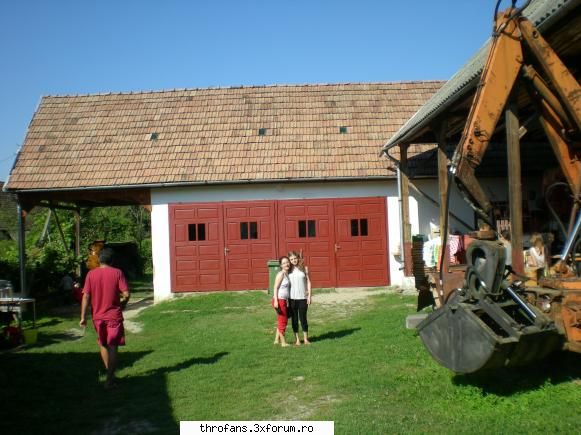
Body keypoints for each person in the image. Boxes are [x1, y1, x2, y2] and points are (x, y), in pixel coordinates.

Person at [80, 248, 130, 389]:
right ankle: (109, 379)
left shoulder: (91, 274)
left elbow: (86, 296)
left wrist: (83, 317)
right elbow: (126, 294)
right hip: (113, 315)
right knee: (113, 346)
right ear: (112, 260)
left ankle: (110, 375)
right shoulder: (117, 273)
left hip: (98, 317)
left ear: (99, 260)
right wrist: (122, 304)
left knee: (103, 344)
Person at [288, 251, 312, 345]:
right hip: (292, 299)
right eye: (291, 259)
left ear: (298, 258)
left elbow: (309, 282)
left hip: (303, 298)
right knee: (294, 319)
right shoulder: (288, 270)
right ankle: (297, 339)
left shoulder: (304, 268)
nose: (293, 260)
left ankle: (306, 339)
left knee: (303, 319)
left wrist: (309, 296)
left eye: (295, 258)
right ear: (289, 260)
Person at [272, 256, 291, 347]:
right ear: (281, 265)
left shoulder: (286, 273)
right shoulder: (281, 274)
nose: (286, 264)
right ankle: (283, 343)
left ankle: (276, 340)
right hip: (279, 300)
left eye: (287, 262)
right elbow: (275, 287)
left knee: (280, 320)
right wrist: (276, 301)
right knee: (283, 321)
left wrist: (287, 300)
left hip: (283, 300)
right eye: (283, 263)